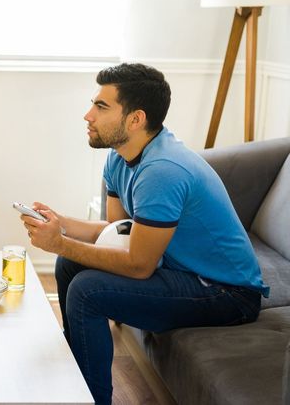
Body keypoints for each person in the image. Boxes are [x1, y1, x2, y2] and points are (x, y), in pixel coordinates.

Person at [21, 63, 268, 405]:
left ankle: (92, 398)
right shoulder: (119, 156)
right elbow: (117, 233)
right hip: (179, 269)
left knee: (88, 291)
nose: (87, 115)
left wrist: (60, 241)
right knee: (68, 264)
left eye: (101, 107)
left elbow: (138, 265)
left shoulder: (162, 171)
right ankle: (75, 371)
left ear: (135, 119)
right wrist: (59, 224)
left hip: (226, 293)